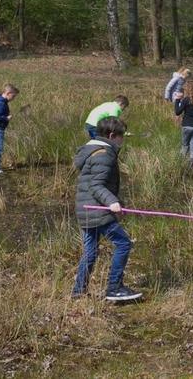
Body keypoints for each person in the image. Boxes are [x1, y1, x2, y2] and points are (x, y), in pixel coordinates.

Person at [71, 117, 143, 302]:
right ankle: (114, 288)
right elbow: (96, 185)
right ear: (112, 136)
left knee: (90, 251)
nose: (123, 140)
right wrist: (112, 202)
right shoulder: (104, 154)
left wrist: (117, 202)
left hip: (86, 209)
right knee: (124, 243)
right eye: (121, 136)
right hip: (96, 210)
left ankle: (78, 291)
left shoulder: (94, 150)